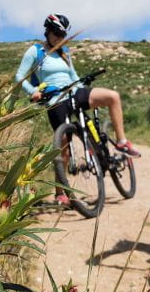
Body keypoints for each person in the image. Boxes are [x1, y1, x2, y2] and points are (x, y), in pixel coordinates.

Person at [16, 14, 140, 206]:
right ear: (48, 30)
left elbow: (72, 74)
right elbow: (19, 76)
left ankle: (122, 142)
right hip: (55, 99)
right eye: (57, 33)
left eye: (63, 34)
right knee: (62, 146)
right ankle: (61, 193)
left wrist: (83, 83)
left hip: (74, 91)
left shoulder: (64, 52)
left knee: (112, 97)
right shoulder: (36, 51)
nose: (60, 37)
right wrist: (33, 91)